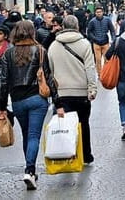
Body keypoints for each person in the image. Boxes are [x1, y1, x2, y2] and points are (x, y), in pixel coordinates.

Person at [0, 20, 56, 191]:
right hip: (37, 98)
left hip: (18, 101)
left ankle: (30, 169)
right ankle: (30, 170)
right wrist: (58, 102)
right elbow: (49, 78)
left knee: (26, 134)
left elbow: (4, 82)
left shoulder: (8, 53)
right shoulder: (40, 51)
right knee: (34, 136)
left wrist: (2, 107)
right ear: (32, 33)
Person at [48, 15, 97, 164]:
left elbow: (50, 70)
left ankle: (67, 153)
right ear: (77, 27)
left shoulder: (54, 46)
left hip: (62, 92)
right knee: (83, 124)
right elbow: (90, 67)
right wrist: (92, 88)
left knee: (66, 126)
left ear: (63, 26)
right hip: (81, 92)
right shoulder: (85, 44)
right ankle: (86, 155)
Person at [86, 7, 116, 74]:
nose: (99, 13)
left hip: (105, 42)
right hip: (96, 43)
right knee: (98, 60)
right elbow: (89, 32)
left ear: (102, 12)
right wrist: (94, 38)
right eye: (97, 12)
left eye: (100, 12)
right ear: (95, 13)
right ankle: (99, 74)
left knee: (106, 59)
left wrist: (113, 39)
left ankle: (105, 72)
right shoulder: (92, 21)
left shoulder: (107, 20)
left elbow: (112, 30)